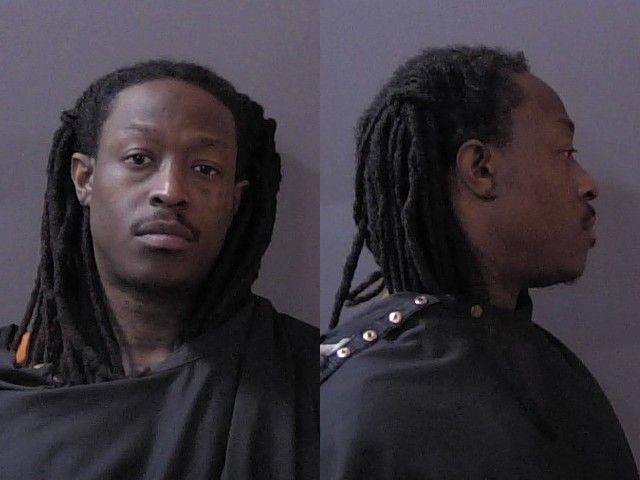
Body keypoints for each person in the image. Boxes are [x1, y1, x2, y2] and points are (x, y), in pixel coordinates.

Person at [320, 46, 638, 479]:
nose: (588, 184)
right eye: (565, 152)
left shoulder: (555, 370)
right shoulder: (366, 402)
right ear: (481, 169)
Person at [0, 60, 318, 479]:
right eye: (139, 159)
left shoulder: (308, 377)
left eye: (205, 169)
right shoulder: (13, 385)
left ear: (234, 200)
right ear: (84, 178)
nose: (170, 191)